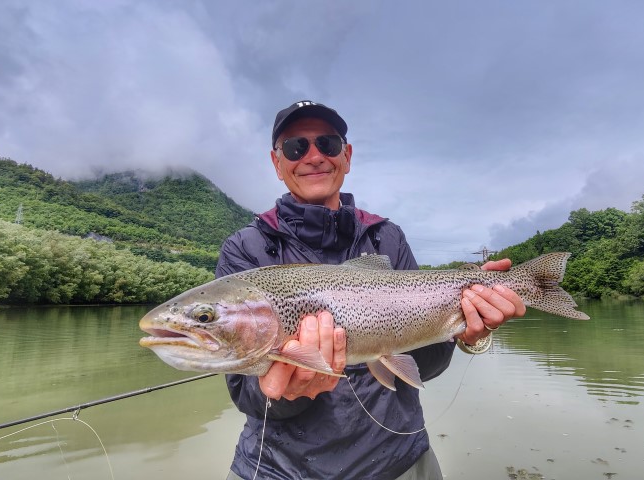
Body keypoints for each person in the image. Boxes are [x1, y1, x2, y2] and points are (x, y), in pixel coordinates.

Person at [216, 100, 526, 480]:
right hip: (278, 470)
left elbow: (425, 363)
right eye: (296, 147)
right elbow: (244, 394)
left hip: (400, 461)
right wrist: (286, 392)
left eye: (327, 144)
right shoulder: (246, 248)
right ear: (277, 163)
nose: (314, 156)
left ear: (346, 156)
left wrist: (468, 334)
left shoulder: (386, 236)